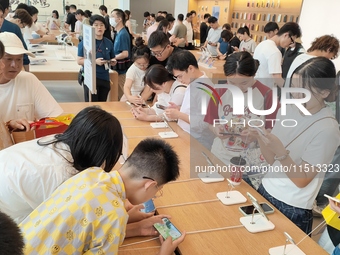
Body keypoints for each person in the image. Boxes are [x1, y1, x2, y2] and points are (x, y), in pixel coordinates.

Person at [19, 138, 186, 255]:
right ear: (149, 185)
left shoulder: (92, 173)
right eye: (158, 190)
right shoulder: (115, 215)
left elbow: (87, 226)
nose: (155, 195)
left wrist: (133, 225)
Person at [255, 57, 340, 234]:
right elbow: (272, 161)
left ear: (324, 92)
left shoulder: (328, 129)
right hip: (265, 190)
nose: (294, 94)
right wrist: (259, 136)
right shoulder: (289, 108)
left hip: (292, 207)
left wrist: (281, 152)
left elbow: (301, 181)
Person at [0, 106, 123, 224]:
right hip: (6, 220)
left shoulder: (56, 140)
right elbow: (68, 227)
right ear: (101, 154)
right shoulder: (63, 175)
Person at [204, 51, 279, 168]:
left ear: (254, 74)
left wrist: (257, 135)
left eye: (244, 82)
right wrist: (216, 130)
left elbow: (272, 130)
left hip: (251, 160)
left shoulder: (267, 95)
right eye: (232, 82)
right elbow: (211, 122)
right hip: (221, 156)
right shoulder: (219, 91)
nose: (237, 88)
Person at [0, 32, 62, 125]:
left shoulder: (28, 80)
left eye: (19, 59)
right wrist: (9, 126)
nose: (15, 65)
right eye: (8, 59)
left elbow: (54, 118)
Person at [166, 50, 215, 149]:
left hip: (197, 140)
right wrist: (180, 109)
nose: (179, 80)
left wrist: (179, 114)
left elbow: (204, 122)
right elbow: (195, 110)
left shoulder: (204, 88)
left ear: (191, 68)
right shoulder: (193, 82)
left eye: (180, 76)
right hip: (187, 134)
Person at [77, 15, 115, 102]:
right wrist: (94, 62)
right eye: (96, 25)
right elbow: (79, 61)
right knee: (91, 106)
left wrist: (112, 62)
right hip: (91, 78)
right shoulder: (85, 42)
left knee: (102, 105)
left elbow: (113, 57)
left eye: (101, 25)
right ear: (91, 27)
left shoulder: (108, 42)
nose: (99, 27)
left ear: (105, 27)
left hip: (105, 78)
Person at [253, 22, 301, 88]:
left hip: (256, 86)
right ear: (286, 35)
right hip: (266, 91)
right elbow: (278, 79)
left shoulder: (262, 44)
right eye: (292, 40)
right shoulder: (275, 52)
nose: (290, 43)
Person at [0, 0, 30, 71]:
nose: (1, 21)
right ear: (7, 9)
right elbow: (24, 54)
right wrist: (27, 72)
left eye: (1, 17)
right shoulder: (13, 27)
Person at [121, 37, 152, 103]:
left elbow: (149, 88)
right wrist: (129, 97)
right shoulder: (132, 70)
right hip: (132, 97)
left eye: (145, 64)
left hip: (144, 99)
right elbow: (127, 86)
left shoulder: (151, 69)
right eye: (138, 64)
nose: (142, 66)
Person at [110, 8, 132, 99]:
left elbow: (125, 53)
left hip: (122, 70)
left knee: (124, 94)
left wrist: (113, 58)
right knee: (118, 93)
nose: (110, 19)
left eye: (112, 17)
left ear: (119, 19)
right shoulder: (118, 33)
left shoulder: (123, 34)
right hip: (117, 69)